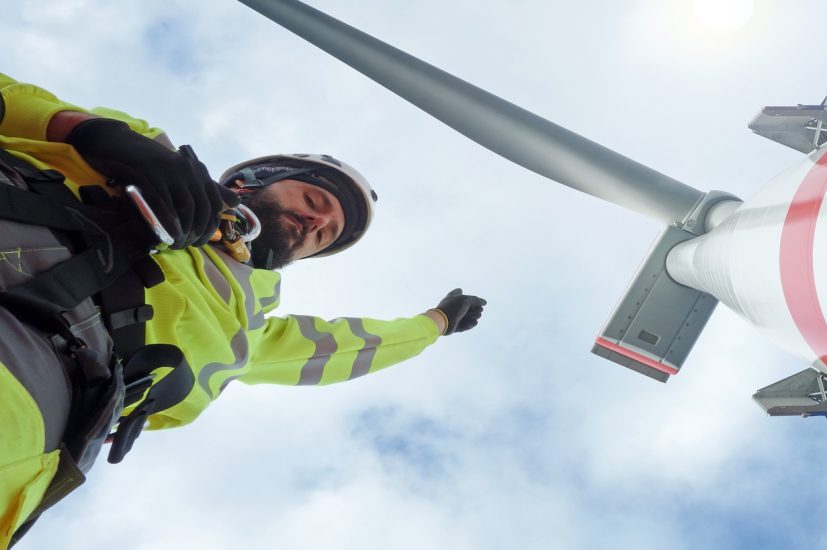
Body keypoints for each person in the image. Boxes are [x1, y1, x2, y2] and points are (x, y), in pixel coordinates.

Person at [0, 72, 486, 545]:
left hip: (31, 402)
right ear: (255, 179)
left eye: (325, 234)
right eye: (315, 199)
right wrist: (86, 131)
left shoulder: (247, 330)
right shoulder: (146, 152)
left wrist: (433, 324)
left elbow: (343, 350)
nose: (317, 222)